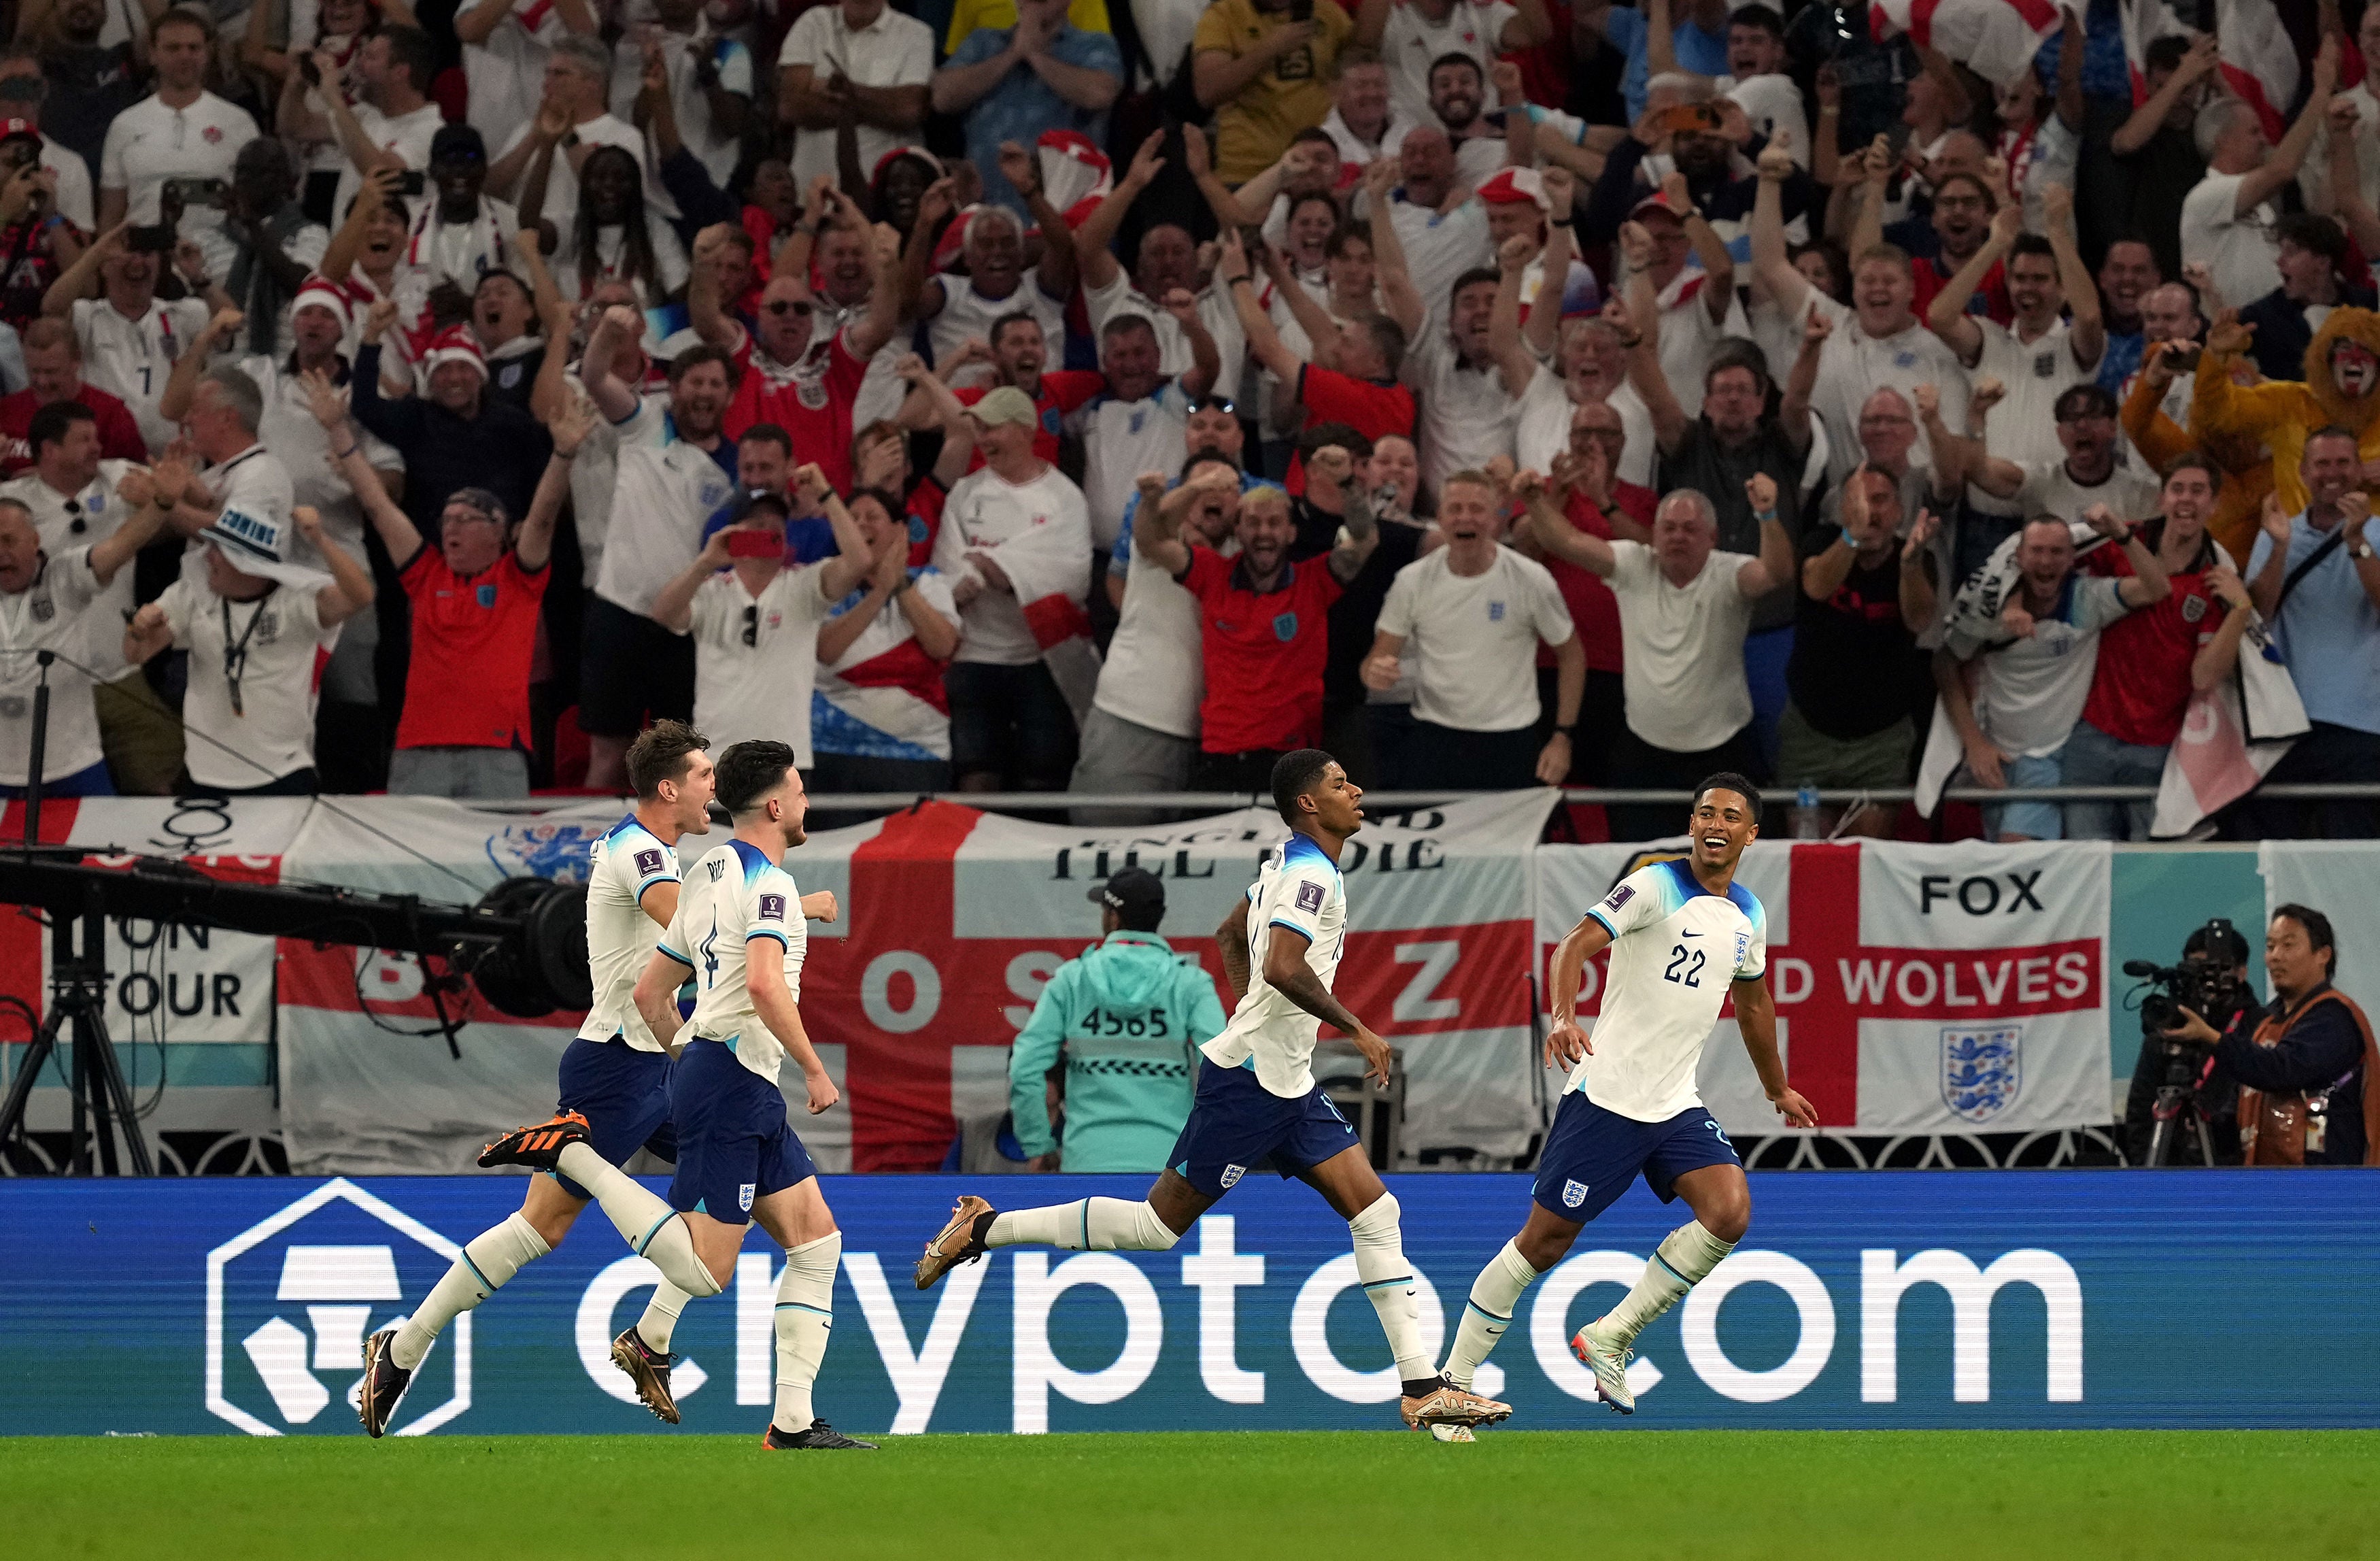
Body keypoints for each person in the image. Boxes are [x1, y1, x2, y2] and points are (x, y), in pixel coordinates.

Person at [915, 748, 1509, 1432]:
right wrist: (1357, 1030)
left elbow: (1228, 934)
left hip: (1285, 1082)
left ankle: (1422, 1389)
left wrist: (1252, 1014)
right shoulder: (1309, 874)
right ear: (1309, 804)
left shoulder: (1285, 865)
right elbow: (1284, 966)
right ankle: (984, 1228)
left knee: (1376, 1213)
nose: (1358, 790)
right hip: (1255, 1084)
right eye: (1341, 784)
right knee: (1154, 1228)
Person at [486, 743, 871, 1449]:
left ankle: (788, 1422)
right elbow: (761, 984)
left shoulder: (706, 871)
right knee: (704, 1267)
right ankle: (577, 1157)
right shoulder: (770, 888)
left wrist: (687, 1054)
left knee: (816, 1241)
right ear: (777, 807)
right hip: (732, 1081)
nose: (809, 803)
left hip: (722, 1073)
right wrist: (814, 1068)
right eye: (801, 791)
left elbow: (650, 989)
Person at [360, 722, 719, 1436]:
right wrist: (779, 914)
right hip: (618, 1066)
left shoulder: (656, 850)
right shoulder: (642, 852)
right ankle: (403, 1349)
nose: (714, 785)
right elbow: (685, 929)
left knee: (735, 1172)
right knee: (540, 1228)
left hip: (656, 1061)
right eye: (704, 773)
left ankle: (649, 1338)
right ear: (668, 787)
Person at [1437, 774, 1815, 1418]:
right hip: (1607, 1097)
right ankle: (1453, 1379)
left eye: (1729, 815)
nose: (1714, 823)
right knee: (1545, 1241)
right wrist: (1562, 1015)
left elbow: (1753, 1003)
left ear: (1752, 833)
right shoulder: (1653, 884)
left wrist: (1775, 1086)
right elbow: (1574, 945)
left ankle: (1611, 1335)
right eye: (1703, 813)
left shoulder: (1749, 913)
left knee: (1728, 1212)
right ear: (1691, 824)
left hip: (1673, 1105)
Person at [313, 371, 581, 798]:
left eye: (465, 518)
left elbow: (545, 513)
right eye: (446, 519)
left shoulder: (519, 578)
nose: (450, 526)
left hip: (497, 751)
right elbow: (379, 507)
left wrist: (563, 454)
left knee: (494, 867)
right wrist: (337, 428)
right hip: (417, 751)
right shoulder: (427, 573)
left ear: (498, 530)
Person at [1518, 477, 1792, 842]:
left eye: (1690, 529)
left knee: (1735, 872)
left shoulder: (1729, 573)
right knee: (1641, 871)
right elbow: (1563, 541)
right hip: (1645, 755)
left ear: (1712, 538)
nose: (1678, 536)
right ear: (1655, 533)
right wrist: (1535, 500)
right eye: (1669, 528)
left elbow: (1777, 572)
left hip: (1724, 756)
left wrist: (1767, 515)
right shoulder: (1633, 564)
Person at [1934, 509, 2171, 843]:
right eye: (2037, 551)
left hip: (2049, 758)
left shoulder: (2088, 600)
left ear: (2072, 558)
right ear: (2019, 557)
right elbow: (1944, 664)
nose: (2046, 562)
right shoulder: (1988, 612)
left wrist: (2122, 534)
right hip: (1998, 758)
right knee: (2005, 871)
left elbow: (2157, 588)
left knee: (2014, 860)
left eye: (2057, 552)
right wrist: (1975, 743)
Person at [1141, 472, 1378, 794]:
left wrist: (1349, 481)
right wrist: (1174, 493)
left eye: (1274, 523)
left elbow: (1365, 539)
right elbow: (1150, 542)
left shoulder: (1315, 582)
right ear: (1238, 531)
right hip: (1220, 754)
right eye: (1253, 523)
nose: (1263, 532)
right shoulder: (1212, 574)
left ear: (1291, 532)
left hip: (1294, 760)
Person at [1748, 137, 1967, 485]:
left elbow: (1954, 452)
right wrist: (1768, 181)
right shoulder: (1829, 321)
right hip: (1836, 508)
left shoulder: (1938, 354)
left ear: (1911, 291)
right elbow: (1771, 263)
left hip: (1912, 509)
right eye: (1868, 280)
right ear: (1853, 288)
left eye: (1889, 281)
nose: (1878, 288)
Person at [122, 501, 372, 796]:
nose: (208, 558)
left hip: (283, 773)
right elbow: (135, 654)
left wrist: (319, 538)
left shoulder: (296, 603)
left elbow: (360, 596)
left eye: (219, 550)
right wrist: (138, 630)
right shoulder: (193, 594)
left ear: (248, 564)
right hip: (204, 776)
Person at [1361, 467, 1581, 788]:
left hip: (1511, 741)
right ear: (1440, 518)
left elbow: (1572, 654)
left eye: (1477, 509)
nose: (1466, 518)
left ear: (1494, 518)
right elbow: (1375, 661)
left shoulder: (1530, 578)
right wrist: (1375, 673)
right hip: (1434, 739)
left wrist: (1563, 737)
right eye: (1455, 509)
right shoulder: (1413, 580)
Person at [2065, 456, 2246, 842]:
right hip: (2091, 735)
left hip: (2157, 749)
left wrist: (2241, 610)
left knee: (2144, 876)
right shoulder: (2115, 542)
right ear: (2161, 498)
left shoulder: (2216, 578)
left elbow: (2204, 677)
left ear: (2214, 505)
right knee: (2084, 869)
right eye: (2177, 489)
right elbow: (2047, 567)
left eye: (2198, 492)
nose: (2186, 500)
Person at [0, 399, 176, 790]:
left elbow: (184, 503)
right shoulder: (11, 503)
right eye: (84, 439)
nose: (98, 447)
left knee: (161, 785)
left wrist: (164, 498)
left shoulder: (123, 479)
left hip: (119, 674)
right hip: (41, 689)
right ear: (49, 450)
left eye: (96, 437)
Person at [1006, 866, 1228, 1173]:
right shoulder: (1190, 984)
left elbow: (1025, 1068)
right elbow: (1224, 1071)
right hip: (1169, 1168)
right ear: (1159, 917)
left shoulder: (1071, 981)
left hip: (1086, 1164)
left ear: (1113, 916)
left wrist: (1039, 1146)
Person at [647, 469, 872, 768]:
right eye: (756, 524)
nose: (767, 529)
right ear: (733, 534)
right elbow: (663, 613)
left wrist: (826, 494)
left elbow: (860, 561)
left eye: (775, 526)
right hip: (717, 758)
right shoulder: (709, 590)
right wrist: (706, 562)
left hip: (786, 761)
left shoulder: (804, 586)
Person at [934, 385, 1095, 792]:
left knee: (1042, 775)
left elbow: (1073, 574)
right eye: (980, 430)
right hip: (974, 656)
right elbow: (949, 572)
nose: (984, 439)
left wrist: (999, 566)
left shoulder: (1064, 498)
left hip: (1040, 660)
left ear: (1026, 430)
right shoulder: (965, 494)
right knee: (975, 773)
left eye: (993, 429)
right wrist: (991, 572)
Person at [1074, 457, 1241, 819]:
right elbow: (1152, 527)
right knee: (1109, 849)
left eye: (1225, 487)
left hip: (1205, 738)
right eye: (1201, 486)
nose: (1212, 493)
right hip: (1133, 723)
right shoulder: (1161, 543)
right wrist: (1194, 487)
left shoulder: (1242, 559)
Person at [1775, 463, 1933, 837]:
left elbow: (1919, 619)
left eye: (1880, 500)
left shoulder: (1914, 557)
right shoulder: (1820, 542)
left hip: (1881, 741)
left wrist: (1910, 566)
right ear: (1844, 509)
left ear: (1898, 510)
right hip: (1810, 732)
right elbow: (1816, 586)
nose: (1871, 511)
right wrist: (1852, 537)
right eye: (1859, 501)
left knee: (1863, 860)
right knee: (1810, 857)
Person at [2242, 432, 2380, 840]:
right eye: (2322, 464)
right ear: (2303, 472)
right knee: (2274, 859)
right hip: (2284, 725)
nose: (2332, 474)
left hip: (2362, 726)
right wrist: (2281, 548)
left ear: (2359, 471)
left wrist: (2358, 543)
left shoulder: (2377, 534)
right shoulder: (2275, 532)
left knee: (2352, 862)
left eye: (2343, 463)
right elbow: (2257, 616)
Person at [2165, 906, 2375, 1166]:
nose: (2275, 957)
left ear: (2323, 955)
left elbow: (2280, 1069)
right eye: (2271, 946)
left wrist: (2211, 1036)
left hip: (2325, 1185)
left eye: (2288, 946)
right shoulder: (2268, 1020)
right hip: (2268, 1181)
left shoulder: (2334, 1017)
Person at [351, 296, 554, 542]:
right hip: (436, 563)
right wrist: (372, 336)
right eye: (444, 370)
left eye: (464, 367)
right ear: (430, 382)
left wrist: (529, 525)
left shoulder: (514, 424)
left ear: (480, 376)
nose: (455, 378)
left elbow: (544, 482)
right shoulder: (415, 418)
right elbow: (363, 405)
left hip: (506, 559)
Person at [811, 480, 965, 803]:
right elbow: (826, 651)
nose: (861, 524)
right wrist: (880, 591)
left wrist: (899, 585)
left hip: (916, 756)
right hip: (832, 754)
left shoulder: (929, 583)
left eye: (872, 516)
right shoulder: (824, 583)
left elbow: (942, 646)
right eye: (852, 518)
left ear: (899, 531)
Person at [96, 11, 257, 282]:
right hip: (144, 269)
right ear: (153, 54)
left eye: (193, 48)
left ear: (207, 53)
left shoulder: (239, 123)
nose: (185, 56)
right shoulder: (125, 125)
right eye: (173, 48)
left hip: (220, 267)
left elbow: (255, 208)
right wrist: (109, 270)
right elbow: (111, 216)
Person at [2180, 43, 2336, 320]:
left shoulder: (2263, 208)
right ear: (2222, 140)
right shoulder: (2205, 196)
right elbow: (2283, 169)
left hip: (2271, 332)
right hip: (2228, 339)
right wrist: (2321, 93)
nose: (2264, 140)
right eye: (2254, 132)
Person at [930, 0, 1121, 217]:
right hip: (988, 219)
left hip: (1070, 217)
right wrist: (1013, 53)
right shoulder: (982, 42)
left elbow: (1100, 94)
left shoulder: (1094, 45)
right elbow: (942, 98)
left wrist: (1035, 55)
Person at [41, 219, 212, 454]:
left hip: (175, 459)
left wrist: (198, 277)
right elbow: (51, 308)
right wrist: (96, 254)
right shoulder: (87, 316)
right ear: (105, 266)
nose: (138, 262)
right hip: (104, 458)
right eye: (128, 252)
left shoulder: (185, 314)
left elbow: (234, 322)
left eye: (146, 253)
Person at [775, 0, 934, 197]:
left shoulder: (916, 33)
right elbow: (791, 107)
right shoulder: (813, 23)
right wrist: (882, 105)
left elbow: (909, 110)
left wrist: (836, 90)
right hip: (809, 193)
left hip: (881, 199)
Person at [1192, 0, 1357, 185]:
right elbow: (1208, 91)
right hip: (1249, 172)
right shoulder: (1224, 14)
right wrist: (1270, 48)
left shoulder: (1325, 11)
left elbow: (1361, 57)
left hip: (1316, 171)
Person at [611, 0, 753, 192]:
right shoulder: (632, 48)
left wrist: (708, 72)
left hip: (709, 187)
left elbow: (732, 126)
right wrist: (651, 76)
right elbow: (628, 125)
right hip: (647, 188)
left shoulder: (728, 50)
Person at [216, 137, 331, 360]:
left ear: (285, 180)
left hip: (286, 365)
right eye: (241, 171)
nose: (245, 180)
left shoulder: (310, 233)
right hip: (225, 366)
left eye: (260, 172)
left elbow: (301, 284)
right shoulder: (211, 236)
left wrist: (251, 224)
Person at [0, 316, 142, 473]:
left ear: (76, 360)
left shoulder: (112, 415)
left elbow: (136, 476)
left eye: (51, 371)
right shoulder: (6, 411)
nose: (42, 382)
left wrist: (46, 479)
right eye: (34, 371)